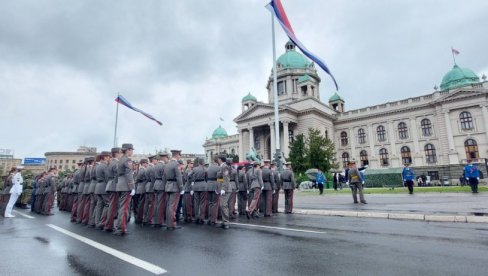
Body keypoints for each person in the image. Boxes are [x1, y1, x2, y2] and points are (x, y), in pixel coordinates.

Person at [114, 143, 136, 236]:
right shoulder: (127, 160)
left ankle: (120, 227)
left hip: (120, 185)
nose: (132, 152)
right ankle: (121, 228)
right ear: (128, 150)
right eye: (131, 150)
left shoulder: (120, 159)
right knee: (124, 208)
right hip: (126, 185)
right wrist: (132, 187)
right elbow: (129, 175)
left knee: (121, 207)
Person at [164, 149, 184, 230]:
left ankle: (168, 224)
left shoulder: (167, 164)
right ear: (177, 155)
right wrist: (181, 188)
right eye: (180, 155)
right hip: (175, 186)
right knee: (173, 207)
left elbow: (164, 177)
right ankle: (172, 224)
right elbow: (179, 177)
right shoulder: (176, 164)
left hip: (168, 185)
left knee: (169, 205)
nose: (180, 157)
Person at [103, 147, 121, 232]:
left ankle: (108, 224)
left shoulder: (110, 163)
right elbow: (118, 175)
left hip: (110, 184)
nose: (121, 154)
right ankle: (109, 225)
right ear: (117, 153)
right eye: (120, 153)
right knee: (113, 206)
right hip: (114, 185)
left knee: (111, 205)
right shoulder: (116, 163)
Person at [94, 151, 110, 229]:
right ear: (105, 157)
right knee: (108, 204)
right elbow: (107, 177)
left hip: (98, 186)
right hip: (104, 186)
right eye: (108, 156)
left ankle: (97, 222)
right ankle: (102, 222)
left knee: (99, 205)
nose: (109, 158)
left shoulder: (98, 166)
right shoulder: (104, 166)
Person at [152, 152, 169, 227]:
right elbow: (164, 177)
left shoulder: (155, 165)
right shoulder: (163, 166)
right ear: (164, 158)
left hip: (156, 184)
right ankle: (159, 221)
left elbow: (152, 177)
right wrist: (166, 185)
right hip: (161, 185)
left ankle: (155, 220)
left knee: (156, 203)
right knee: (161, 204)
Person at [216, 155, 232, 229]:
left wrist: (223, 189)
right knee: (222, 205)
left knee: (223, 205)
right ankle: (224, 221)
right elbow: (220, 179)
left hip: (225, 189)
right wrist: (218, 188)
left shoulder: (224, 166)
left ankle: (226, 222)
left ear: (220, 159)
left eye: (218, 159)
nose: (217, 160)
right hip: (222, 188)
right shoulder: (221, 166)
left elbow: (226, 178)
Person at [191, 158, 207, 224]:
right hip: (203, 185)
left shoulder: (194, 169)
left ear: (198, 162)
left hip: (196, 186)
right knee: (202, 203)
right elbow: (207, 177)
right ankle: (202, 218)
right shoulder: (205, 169)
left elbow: (189, 175)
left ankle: (196, 217)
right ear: (203, 162)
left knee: (196, 202)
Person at [206, 157, 221, 225]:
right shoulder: (218, 168)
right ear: (217, 161)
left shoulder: (208, 167)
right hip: (215, 186)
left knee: (210, 203)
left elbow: (206, 177)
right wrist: (220, 187)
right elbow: (220, 179)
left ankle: (209, 218)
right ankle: (214, 219)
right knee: (215, 203)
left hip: (208, 185)